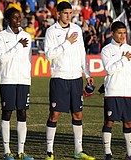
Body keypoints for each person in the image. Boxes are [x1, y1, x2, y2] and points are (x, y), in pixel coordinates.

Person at [44, 2, 95, 160]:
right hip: (59, 77)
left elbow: (81, 52)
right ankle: (49, 152)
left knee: (78, 114)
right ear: (58, 14)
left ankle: (78, 150)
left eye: (70, 13)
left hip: (76, 78)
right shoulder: (51, 31)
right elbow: (48, 55)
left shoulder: (76, 29)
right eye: (65, 13)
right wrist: (66, 43)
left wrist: (87, 73)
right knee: (55, 114)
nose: (68, 15)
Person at [0, 7, 34, 160]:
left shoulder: (26, 36)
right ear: (7, 20)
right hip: (8, 79)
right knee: (7, 112)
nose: (18, 20)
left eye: (20, 17)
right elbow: (2, 58)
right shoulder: (1, 36)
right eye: (15, 18)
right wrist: (18, 45)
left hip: (23, 80)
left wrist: (27, 76)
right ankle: (7, 151)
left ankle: (20, 151)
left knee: (22, 113)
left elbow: (29, 59)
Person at [101, 21, 131, 160]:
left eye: (124, 33)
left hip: (128, 92)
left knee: (128, 122)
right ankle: (107, 152)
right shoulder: (107, 50)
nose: (122, 36)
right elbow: (109, 70)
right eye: (119, 33)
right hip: (113, 92)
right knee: (109, 122)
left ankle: (129, 153)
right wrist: (124, 59)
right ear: (112, 33)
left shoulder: (129, 48)